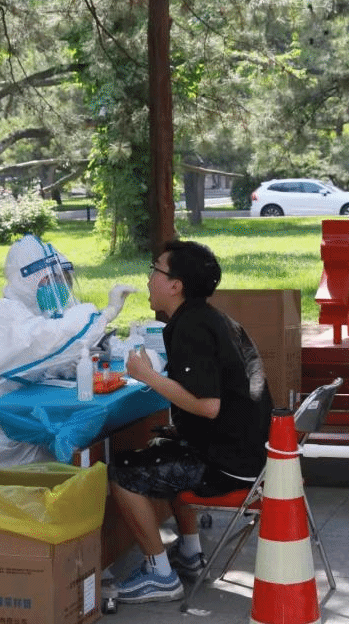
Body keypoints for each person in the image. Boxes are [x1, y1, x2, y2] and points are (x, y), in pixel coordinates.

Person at [108, 239, 272, 603]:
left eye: (155, 270)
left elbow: (208, 406)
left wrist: (147, 376)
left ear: (175, 285)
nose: (149, 278)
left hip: (231, 465)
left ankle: (160, 574)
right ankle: (189, 552)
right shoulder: (210, 318)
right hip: (251, 453)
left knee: (122, 474)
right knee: (167, 447)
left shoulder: (192, 328)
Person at [0, 234, 135, 467]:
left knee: (90, 446)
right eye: (50, 280)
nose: (59, 287)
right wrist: (106, 314)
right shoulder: (2, 315)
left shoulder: (36, 315)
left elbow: (54, 359)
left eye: (62, 280)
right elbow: (49, 341)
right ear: (26, 282)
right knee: (80, 457)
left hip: (15, 428)